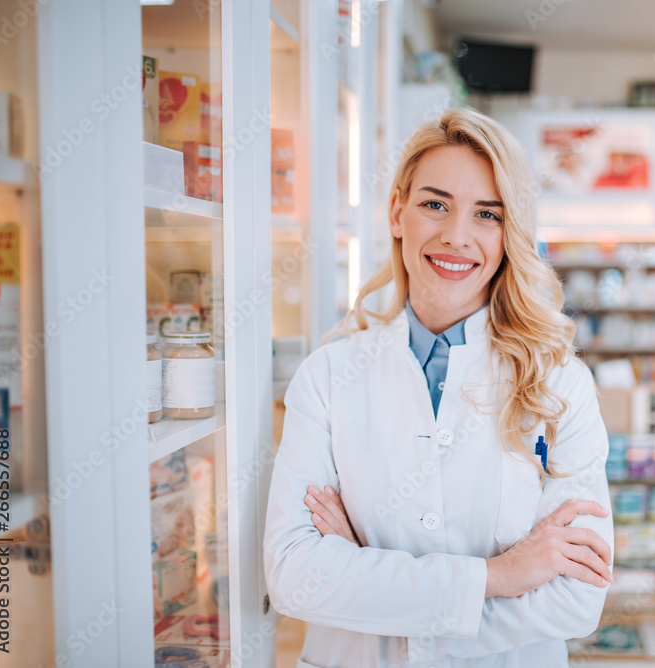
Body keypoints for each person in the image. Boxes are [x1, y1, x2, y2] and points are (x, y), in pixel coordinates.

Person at [263, 107, 614, 668]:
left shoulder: (560, 386)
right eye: (435, 204)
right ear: (398, 210)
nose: (457, 236)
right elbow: (295, 577)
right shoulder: (329, 377)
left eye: (487, 215)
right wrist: (498, 576)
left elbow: (575, 599)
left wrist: (367, 573)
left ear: (509, 234)